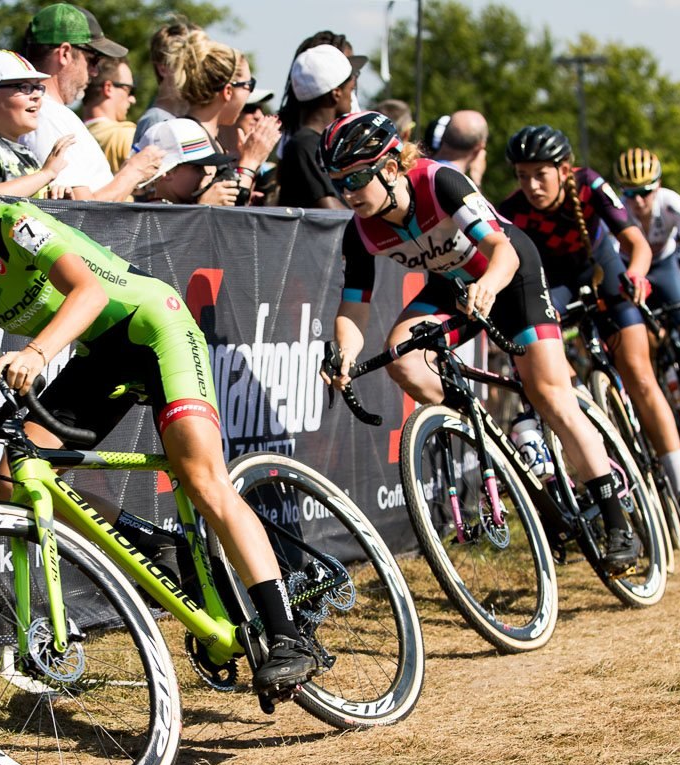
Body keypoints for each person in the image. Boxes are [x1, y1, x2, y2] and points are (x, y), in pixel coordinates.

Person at [0, 137, 319, 693]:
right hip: (99, 355)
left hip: (155, 328)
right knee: (17, 478)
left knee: (201, 477)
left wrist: (34, 353)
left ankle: (287, 634)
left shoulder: (15, 222)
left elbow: (89, 294)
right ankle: (153, 547)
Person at [319, 112, 641, 570]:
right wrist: (344, 356)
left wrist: (488, 286)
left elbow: (502, 249)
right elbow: (354, 305)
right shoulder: (361, 229)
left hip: (510, 275)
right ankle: (487, 434)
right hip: (454, 286)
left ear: (390, 167)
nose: (347, 194)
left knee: (550, 394)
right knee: (403, 358)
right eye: (337, 183)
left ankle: (615, 520)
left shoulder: (440, 182)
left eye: (355, 179)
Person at [497, 125, 680, 526]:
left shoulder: (589, 184)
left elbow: (637, 244)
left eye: (539, 174)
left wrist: (636, 276)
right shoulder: (511, 211)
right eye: (522, 175)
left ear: (564, 170)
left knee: (639, 375)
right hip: (554, 283)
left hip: (604, 269)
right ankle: (586, 411)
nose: (530, 185)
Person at [613, 147, 680, 408]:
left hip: (665, 266)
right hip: (631, 272)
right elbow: (608, 255)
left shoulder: (671, 202)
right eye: (630, 193)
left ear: (658, 185)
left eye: (644, 192)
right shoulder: (617, 209)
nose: (638, 201)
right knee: (644, 345)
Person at [18, 3, 159, 201]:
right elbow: (83, 210)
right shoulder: (45, 116)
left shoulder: (51, 113)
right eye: (93, 60)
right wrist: (133, 172)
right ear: (65, 53)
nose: (94, 72)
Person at [172, 32, 280, 207]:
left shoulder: (206, 137)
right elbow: (217, 212)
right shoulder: (189, 136)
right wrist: (249, 163)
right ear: (228, 91)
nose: (250, 94)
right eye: (249, 85)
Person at [0, 50, 75, 198]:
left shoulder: (27, 154)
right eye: (24, 87)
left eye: (38, 87)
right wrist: (46, 174)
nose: (37, 96)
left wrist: (53, 200)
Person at [276, 44, 363, 209]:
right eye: (350, 89)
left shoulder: (319, 143)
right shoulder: (304, 145)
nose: (352, 97)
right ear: (336, 93)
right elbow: (331, 211)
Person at [137, 117, 238, 205]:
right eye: (197, 168)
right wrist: (204, 207)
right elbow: (176, 226)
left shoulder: (190, 205)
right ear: (168, 172)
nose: (206, 174)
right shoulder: (152, 214)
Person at [133, 15, 201, 141]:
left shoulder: (181, 118)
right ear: (163, 68)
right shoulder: (156, 121)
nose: (196, 72)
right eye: (186, 64)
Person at [81, 57, 137, 173]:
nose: (132, 99)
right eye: (129, 90)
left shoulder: (70, 135)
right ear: (108, 88)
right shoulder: (127, 136)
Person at [431, 110, 489, 188]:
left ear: (443, 135)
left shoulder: (417, 168)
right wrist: (476, 179)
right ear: (479, 148)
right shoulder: (458, 187)